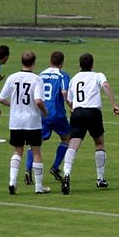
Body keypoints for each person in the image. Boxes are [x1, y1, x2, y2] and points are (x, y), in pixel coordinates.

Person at [61, 53, 119, 195]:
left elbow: (69, 98)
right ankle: (100, 178)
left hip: (78, 113)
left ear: (79, 65)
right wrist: (114, 104)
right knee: (99, 143)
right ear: (92, 64)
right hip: (93, 113)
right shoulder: (98, 75)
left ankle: (67, 173)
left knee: (72, 145)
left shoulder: (74, 78)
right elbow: (105, 85)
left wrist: (72, 107)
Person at [0, 51, 50, 194]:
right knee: (36, 151)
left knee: (17, 151)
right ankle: (39, 187)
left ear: (22, 62)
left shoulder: (12, 77)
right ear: (34, 63)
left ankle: (12, 182)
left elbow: (1, 99)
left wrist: (13, 105)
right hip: (32, 121)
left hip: (16, 121)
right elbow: (38, 101)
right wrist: (45, 112)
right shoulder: (37, 79)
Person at [24, 51, 71, 186]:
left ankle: (28, 170)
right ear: (62, 63)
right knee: (67, 138)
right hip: (56, 114)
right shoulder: (63, 75)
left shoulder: (41, 74)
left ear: (50, 61)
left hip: (41, 113)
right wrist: (70, 105)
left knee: (35, 143)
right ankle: (55, 167)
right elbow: (64, 92)